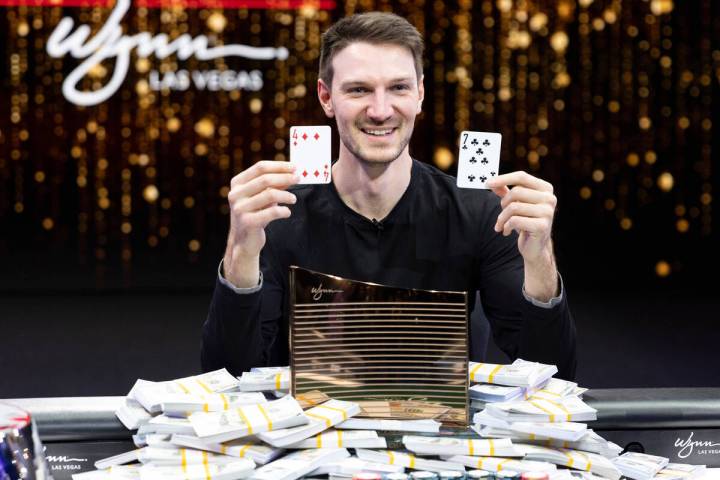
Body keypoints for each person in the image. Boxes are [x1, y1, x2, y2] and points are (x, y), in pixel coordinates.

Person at [201, 12, 576, 379]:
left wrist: (540, 259)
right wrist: (240, 256)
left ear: (420, 95)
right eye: (359, 89)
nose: (380, 111)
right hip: (315, 438)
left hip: (440, 439)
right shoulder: (277, 216)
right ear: (326, 98)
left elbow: (554, 379)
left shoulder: (482, 213)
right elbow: (227, 378)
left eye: (398, 88)